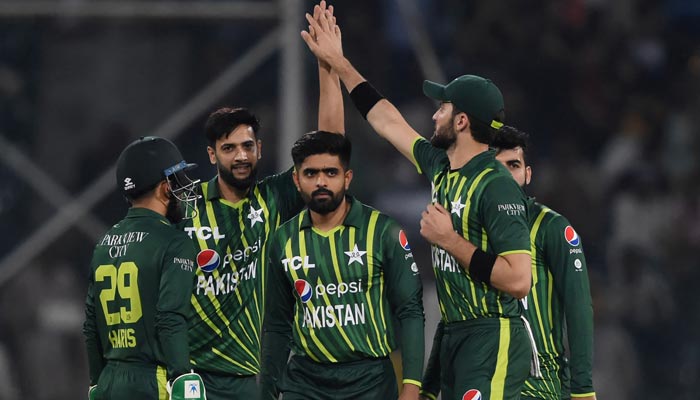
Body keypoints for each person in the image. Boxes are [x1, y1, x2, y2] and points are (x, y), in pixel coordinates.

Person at [302, 6, 534, 400]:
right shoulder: (440, 165)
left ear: (461, 121)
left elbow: (519, 280)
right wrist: (338, 63)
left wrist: (450, 241)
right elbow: (387, 120)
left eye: (442, 108)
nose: (434, 113)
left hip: (492, 335)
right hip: (455, 331)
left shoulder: (497, 187)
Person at [179, 3, 344, 398]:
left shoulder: (274, 196)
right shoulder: (184, 203)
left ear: (260, 148)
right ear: (211, 154)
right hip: (191, 376)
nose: (240, 156)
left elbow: (330, 147)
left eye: (248, 146)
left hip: (255, 378)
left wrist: (328, 67)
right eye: (229, 147)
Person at [260, 131, 425, 400]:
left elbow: (410, 310)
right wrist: (266, 392)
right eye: (311, 174)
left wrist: (411, 386)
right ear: (296, 180)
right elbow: (278, 325)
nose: (321, 182)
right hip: (305, 382)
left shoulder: (382, 231)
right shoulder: (282, 240)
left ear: (347, 178)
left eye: (330, 173)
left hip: (370, 382)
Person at [83, 136, 205, 400]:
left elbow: (91, 325)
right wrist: (183, 378)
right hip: (153, 381)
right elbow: (170, 317)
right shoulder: (174, 242)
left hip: (110, 381)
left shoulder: (104, 242)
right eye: (178, 182)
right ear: (164, 188)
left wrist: (96, 382)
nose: (184, 190)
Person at [492, 126, 596, 400]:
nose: (504, 174)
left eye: (513, 165)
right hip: (482, 384)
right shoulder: (468, 233)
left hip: (539, 387)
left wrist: (583, 389)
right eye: (496, 166)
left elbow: (579, 308)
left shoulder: (551, 228)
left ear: (528, 174)